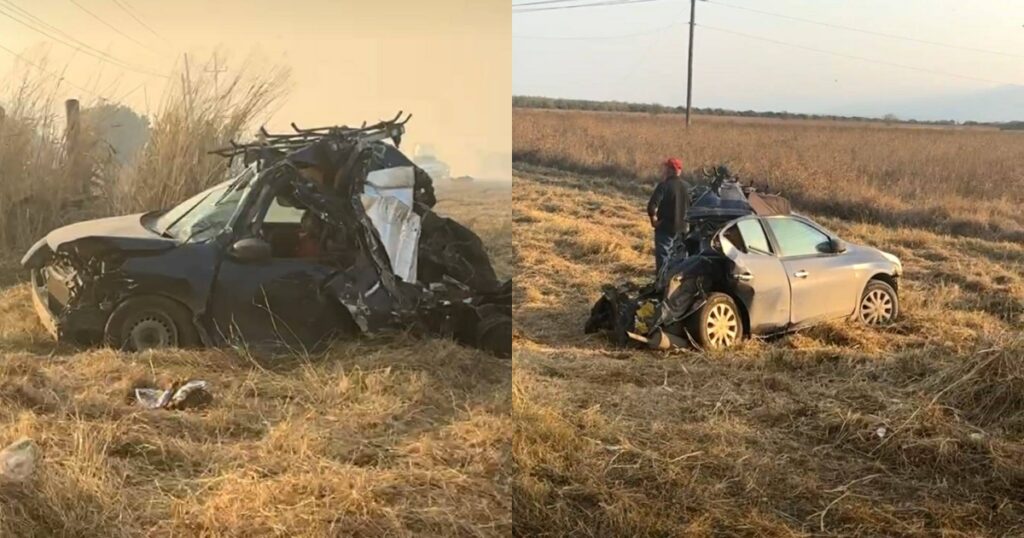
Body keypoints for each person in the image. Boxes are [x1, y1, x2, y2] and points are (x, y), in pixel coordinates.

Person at [647, 157, 691, 274]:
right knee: (680, 259)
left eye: (665, 168)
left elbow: (652, 206)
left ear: (670, 170)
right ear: (679, 171)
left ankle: (661, 284)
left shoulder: (664, 185)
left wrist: (654, 221)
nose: (663, 170)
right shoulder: (688, 187)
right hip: (683, 229)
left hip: (665, 228)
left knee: (663, 257)